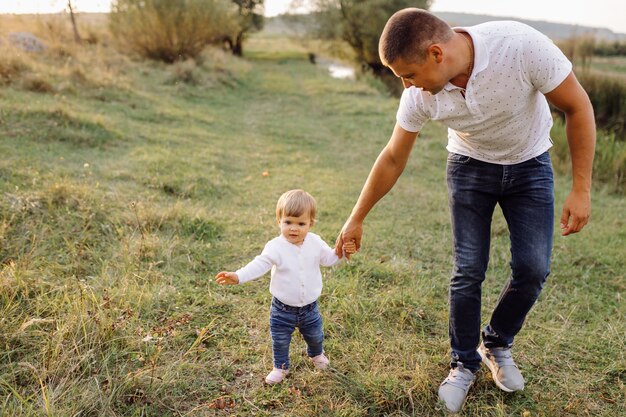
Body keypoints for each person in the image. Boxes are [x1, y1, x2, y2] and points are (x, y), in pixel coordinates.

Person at [334, 8, 595, 413]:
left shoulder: (520, 46)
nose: (405, 85)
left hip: (530, 165)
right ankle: (463, 363)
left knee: (533, 268)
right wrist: (356, 217)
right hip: (470, 168)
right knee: (468, 269)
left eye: (408, 74)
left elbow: (577, 107)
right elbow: (391, 158)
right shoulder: (419, 96)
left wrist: (581, 189)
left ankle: (495, 343)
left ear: (436, 53)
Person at [216, 189, 356, 384]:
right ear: (279, 221)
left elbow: (329, 259)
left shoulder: (315, 242)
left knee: (315, 335)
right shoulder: (275, 246)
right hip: (282, 309)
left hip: (309, 308)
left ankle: (316, 355)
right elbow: (259, 264)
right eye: (288, 222)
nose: (294, 228)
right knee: (280, 341)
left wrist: (341, 251)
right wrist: (238, 276)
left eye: (301, 224)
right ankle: (280, 367)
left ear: (310, 224)